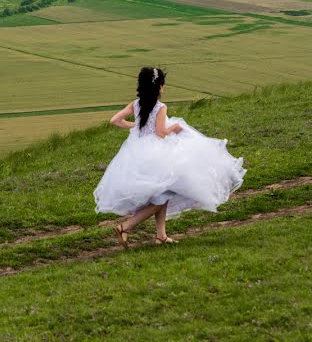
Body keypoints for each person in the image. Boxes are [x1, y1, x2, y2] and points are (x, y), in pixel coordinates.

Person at [94, 67, 246, 246]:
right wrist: (174, 128)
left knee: (163, 192)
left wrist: (135, 126)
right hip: (157, 155)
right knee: (164, 194)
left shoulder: (136, 104)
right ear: (159, 87)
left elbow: (114, 120)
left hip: (137, 153)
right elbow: (160, 132)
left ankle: (161, 235)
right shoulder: (160, 107)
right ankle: (125, 227)